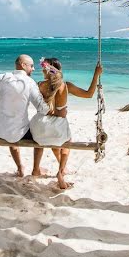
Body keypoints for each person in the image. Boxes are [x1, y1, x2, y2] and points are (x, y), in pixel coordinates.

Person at [30, 57, 103, 189]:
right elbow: (89, 94)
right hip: (57, 126)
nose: (42, 70)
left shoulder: (39, 85)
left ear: (48, 70)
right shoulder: (66, 86)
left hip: (39, 126)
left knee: (44, 138)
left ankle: (36, 169)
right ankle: (61, 171)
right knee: (66, 142)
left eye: (43, 68)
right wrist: (96, 74)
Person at [0, 54, 50, 177]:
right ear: (23, 65)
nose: (33, 69)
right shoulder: (30, 82)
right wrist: (50, 98)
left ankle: (20, 168)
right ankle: (36, 169)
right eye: (31, 66)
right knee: (40, 136)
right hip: (19, 133)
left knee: (13, 132)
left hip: (1, 131)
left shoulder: (2, 77)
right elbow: (42, 109)